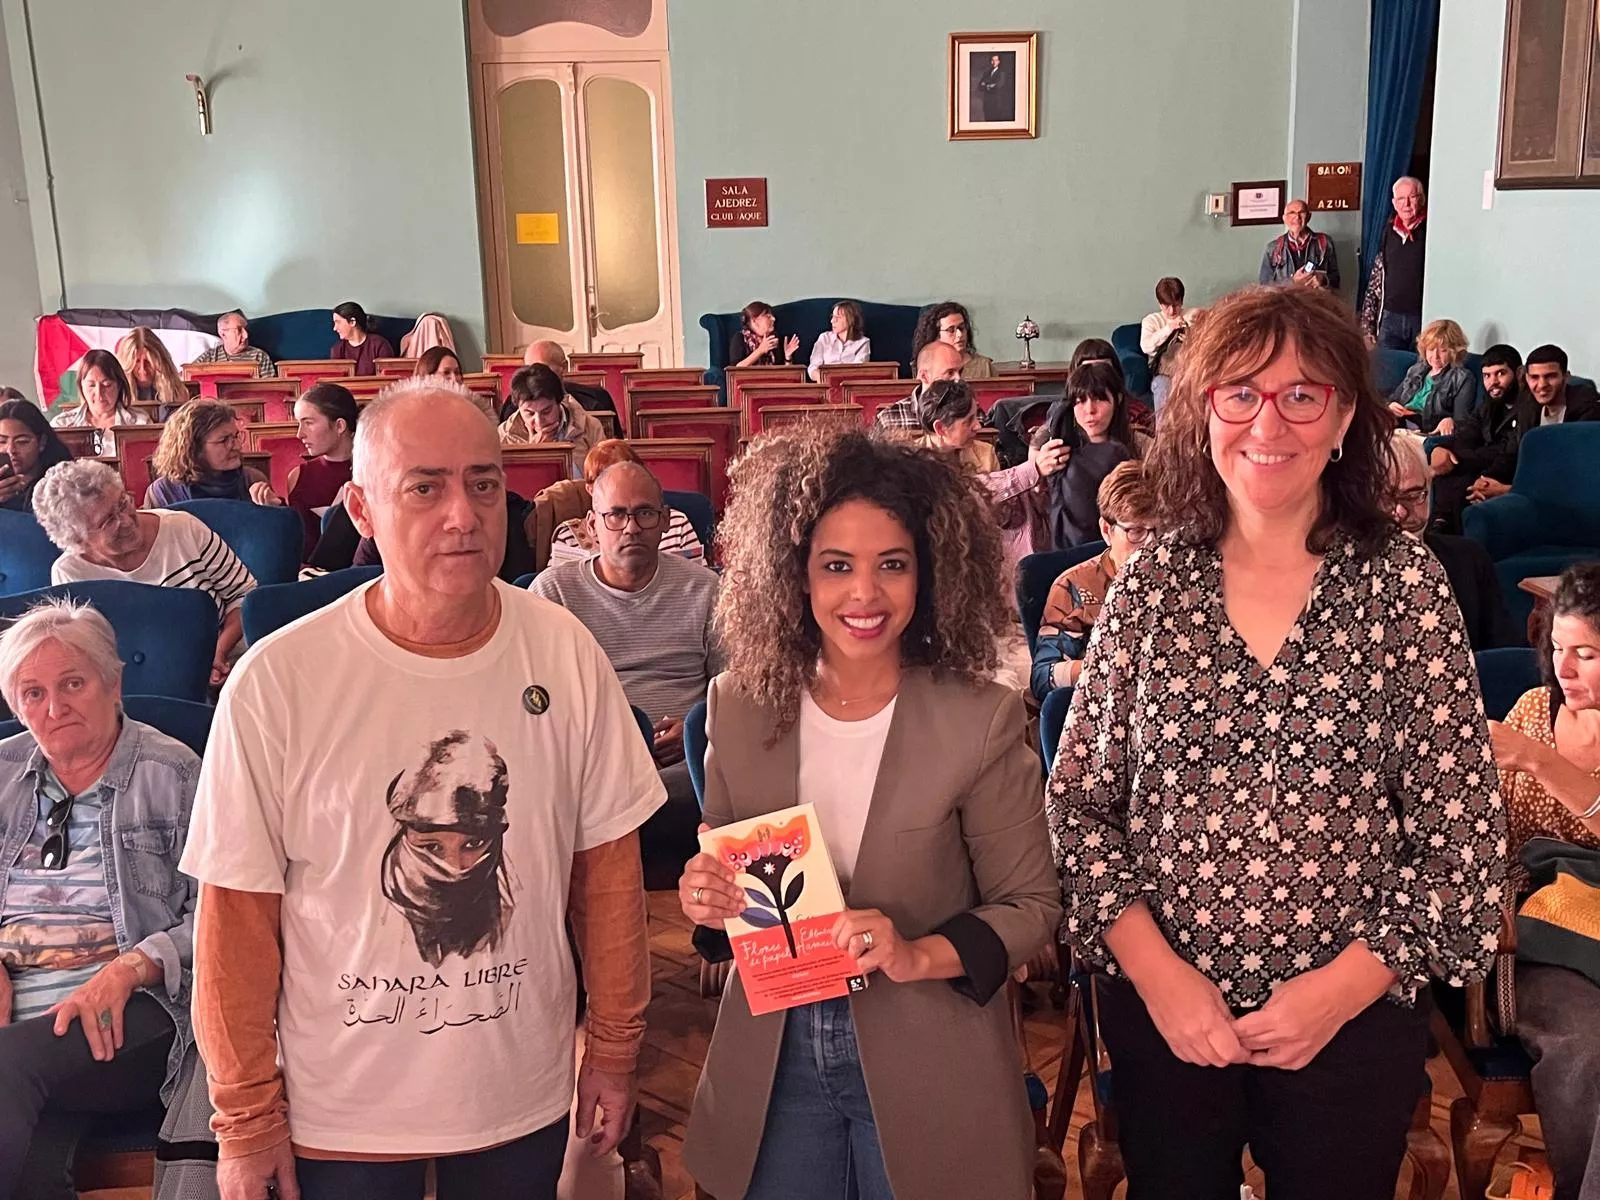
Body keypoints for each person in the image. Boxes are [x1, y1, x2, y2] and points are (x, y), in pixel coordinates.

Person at [1048, 283, 1506, 1198]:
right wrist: (1162, 981)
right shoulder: (1150, 588)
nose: (1271, 421)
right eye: (1241, 392)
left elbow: (1464, 842)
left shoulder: (1404, 588)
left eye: (1304, 394)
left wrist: (1334, 994)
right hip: (1168, 1011)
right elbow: (1079, 810)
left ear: (1344, 418)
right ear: (1203, 410)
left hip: (1353, 1016)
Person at [178, 380, 663, 1200]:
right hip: (343, 1114)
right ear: (361, 509)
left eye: (482, 482)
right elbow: (236, 920)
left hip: (520, 1094)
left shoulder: (565, 652)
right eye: (425, 486)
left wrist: (613, 1052)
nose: (464, 514)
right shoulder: (278, 681)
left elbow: (608, 877)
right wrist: (247, 1116)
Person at [677, 425, 1060, 1200]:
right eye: (836, 567)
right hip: (772, 1056)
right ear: (795, 577)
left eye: (892, 565)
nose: (864, 594)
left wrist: (915, 954)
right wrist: (704, 896)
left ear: (929, 574)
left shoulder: (978, 717)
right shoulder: (739, 707)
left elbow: (1033, 907)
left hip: (932, 1051)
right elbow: (728, 896)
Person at [0, 599, 199, 1200]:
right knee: (31, 1156)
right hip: (24, 1024)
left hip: (136, 1012)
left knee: (8, 1068)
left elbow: (224, 914)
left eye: (72, 683)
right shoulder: (3, 773)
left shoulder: (172, 771)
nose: (54, 708)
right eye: (32, 693)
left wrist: (130, 967)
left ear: (113, 683)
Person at [533, 460, 720, 878]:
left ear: (665, 521)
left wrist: (699, 729)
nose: (631, 527)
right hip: (594, 761)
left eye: (645, 513)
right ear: (592, 525)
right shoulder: (553, 592)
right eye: (616, 515)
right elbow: (540, 703)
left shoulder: (706, 589)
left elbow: (732, 690)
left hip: (688, 762)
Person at [1487, 562, 1600, 1200]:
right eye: (1558, 649)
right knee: (1589, 1046)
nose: (1564, 669)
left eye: (1586, 653)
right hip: (1539, 932)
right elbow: (1479, 833)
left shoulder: (1531, 741)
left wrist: (1539, 760)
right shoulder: (1533, 709)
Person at [34, 461, 256, 687]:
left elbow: (245, 596)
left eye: (123, 502)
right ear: (78, 540)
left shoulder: (183, 528)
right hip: (135, 683)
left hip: (223, 666)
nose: (127, 520)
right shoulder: (71, 572)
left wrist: (217, 652)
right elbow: (89, 651)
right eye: (108, 521)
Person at [1029, 460, 1156, 699]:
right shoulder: (1073, 587)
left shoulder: (1178, 576)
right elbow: (1043, 677)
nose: (1151, 545)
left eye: (1160, 531)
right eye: (1136, 532)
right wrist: (1110, 665)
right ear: (1106, 531)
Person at [916, 378, 1065, 580]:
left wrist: (1035, 490)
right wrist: (1033, 469)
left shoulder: (985, 453)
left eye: (976, 415)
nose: (978, 425)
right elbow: (965, 497)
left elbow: (1002, 513)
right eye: (968, 421)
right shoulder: (911, 463)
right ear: (941, 428)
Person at [1390, 430, 1519, 651]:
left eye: (1413, 496)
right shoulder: (1344, 573)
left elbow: (1503, 651)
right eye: (1385, 496)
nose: (1400, 511)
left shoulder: (1469, 559)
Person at [1038, 360, 1148, 549]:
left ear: (1118, 399)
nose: (1089, 410)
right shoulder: (1053, 449)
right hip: (1067, 554)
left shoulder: (1140, 444)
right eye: (1080, 401)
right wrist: (1037, 470)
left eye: (1099, 398)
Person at [549, 440, 705, 568]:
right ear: (590, 489)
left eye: (629, 473)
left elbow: (700, 582)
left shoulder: (677, 524)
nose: (631, 528)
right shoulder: (567, 535)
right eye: (608, 478)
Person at [1428, 344, 1526, 534]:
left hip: (1506, 471)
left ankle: (1442, 528)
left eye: (1500, 373)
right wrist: (1441, 450)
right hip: (1479, 465)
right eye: (1487, 376)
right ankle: (1440, 527)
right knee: (1446, 465)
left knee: (1456, 474)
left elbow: (1507, 451)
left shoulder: (1528, 408)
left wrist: (1459, 459)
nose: (1493, 382)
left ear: (1519, 374)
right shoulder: (1488, 405)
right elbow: (1466, 434)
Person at [143, 399, 282, 508]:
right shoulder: (163, 493)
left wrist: (272, 510)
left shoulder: (252, 480)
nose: (238, 446)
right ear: (193, 447)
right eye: (223, 440)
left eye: (235, 436)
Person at [287, 383, 358, 557]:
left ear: (340, 426)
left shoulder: (375, 471)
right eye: (299, 424)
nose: (300, 434)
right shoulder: (298, 476)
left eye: (308, 423)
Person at [1360, 176, 1428, 349]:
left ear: (1421, 199)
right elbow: (1377, 278)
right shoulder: (1389, 230)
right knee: (1386, 370)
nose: (1406, 204)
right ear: (1394, 202)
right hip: (1390, 317)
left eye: (1412, 197)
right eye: (1400, 199)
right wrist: (1367, 326)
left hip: (1423, 318)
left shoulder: (1431, 229)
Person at [1386, 318, 1477, 434]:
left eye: (1443, 350)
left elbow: (1462, 420)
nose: (1435, 356)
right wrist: (1391, 406)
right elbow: (1393, 399)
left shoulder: (1462, 378)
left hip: (1424, 431)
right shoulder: (1416, 370)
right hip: (1399, 423)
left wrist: (1450, 421)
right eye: (1431, 349)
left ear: (1454, 351)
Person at [499, 364, 605, 463]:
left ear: (559, 402)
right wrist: (534, 453)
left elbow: (602, 476)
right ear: (518, 407)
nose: (539, 421)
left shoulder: (590, 426)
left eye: (546, 411)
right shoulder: (504, 436)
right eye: (529, 413)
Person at [49, 351, 148, 456]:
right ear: (81, 386)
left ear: (119, 385)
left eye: (107, 385)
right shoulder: (62, 425)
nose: (99, 393)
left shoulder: (140, 423)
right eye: (91, 385)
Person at [872, 340, 965, 433]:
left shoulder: (971, 414)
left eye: (959, 372)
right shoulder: (890, 420)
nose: (958, 379)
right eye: (950, 373)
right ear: (924, 376)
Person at [0, 399, 73, 513]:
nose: (10, 450)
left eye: (22, 442)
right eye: (2, 441)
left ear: (42, 442)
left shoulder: (62, 484)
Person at [1259, 199, 1341, 289]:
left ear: (1309, 217)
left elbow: (1336, 280)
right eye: (1292, 213)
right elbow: (1264, 286)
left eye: (1301, 212)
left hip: (1316, 301)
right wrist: (1292, 282)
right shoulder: (1273, 248)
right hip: (1286, 302)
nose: (1297, 217)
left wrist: (1323, 280)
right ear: (1284, 218)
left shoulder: (1325, 243)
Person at [1139, 277, 1195, 409]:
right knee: (1162, 385)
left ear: (1181, 301)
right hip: (1165, 374)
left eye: (1175, 305)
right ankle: (1164, 430)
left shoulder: (1192, 315)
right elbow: (1146, 347)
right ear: (1160, 304)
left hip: (1191, 370)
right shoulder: (1151, 321)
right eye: (1166, 306)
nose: (1171, 311)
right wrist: (1169, 328)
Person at [522, 341, 616, 415]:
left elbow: (614, 439)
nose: (534, 377)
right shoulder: (516, 403)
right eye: (529, 370)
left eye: (541, 369)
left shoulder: (597, 399)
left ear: (564, 367)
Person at [115, 327, 188, 420]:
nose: (143, 369)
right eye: (137, 362)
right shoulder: (117, 392)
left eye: (148, 361)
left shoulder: (177, 391)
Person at [911, 301, 994, 381]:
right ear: (936, 335)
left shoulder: (984, 365)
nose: (959, 334)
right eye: (950, 330)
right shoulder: (925, 367)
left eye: (962, 328)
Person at [1523, 343, 1600, 427]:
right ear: (1527, 378)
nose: (1542, 385)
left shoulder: (1589, 411)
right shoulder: (1525, 409)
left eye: (1550, 376)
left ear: (1566, 377)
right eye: (1534, 377)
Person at [192, 311, 277, 377]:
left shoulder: (259, 356)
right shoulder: (209, 357)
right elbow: (186, 377)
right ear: (223, 334)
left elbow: (270, 391)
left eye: (246, 329)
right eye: (239, 330)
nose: (246, 335)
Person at [807, 300, 871, 381]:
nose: (832, 321)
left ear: (850, 320)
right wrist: (822, 379)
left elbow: (858, 372)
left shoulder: (863, 342)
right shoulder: (824, 338)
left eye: (837, 317)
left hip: (849, 386)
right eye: (832, 317)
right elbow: (813, 367)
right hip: (826, 385)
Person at [328, 301, 396, 376]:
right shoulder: (337, 349)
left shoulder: (380, 344)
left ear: (352, 322)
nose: (335, 328)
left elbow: (387, 377)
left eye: (338, 322)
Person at [729, 301, 802, 370]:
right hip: (747, 382)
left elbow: (786, 375)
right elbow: (736, 370)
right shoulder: (740, 338)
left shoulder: (775, 340)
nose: (773, 319)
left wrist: (787, 357)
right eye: (768, 316)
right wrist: (760, 350)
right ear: (755, 321)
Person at [976, 52, 1011, 122]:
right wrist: (990, 86)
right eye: (992, 60)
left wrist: (986, 85)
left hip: (996, 102)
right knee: (987, 120)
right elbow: (979, 86)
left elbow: (999, 85)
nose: (994, 62)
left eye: (996, 60)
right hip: (987, 102)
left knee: (995, 121)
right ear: (991, 61)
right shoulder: (986, 73)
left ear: (999, 62)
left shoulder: (1001, 73)